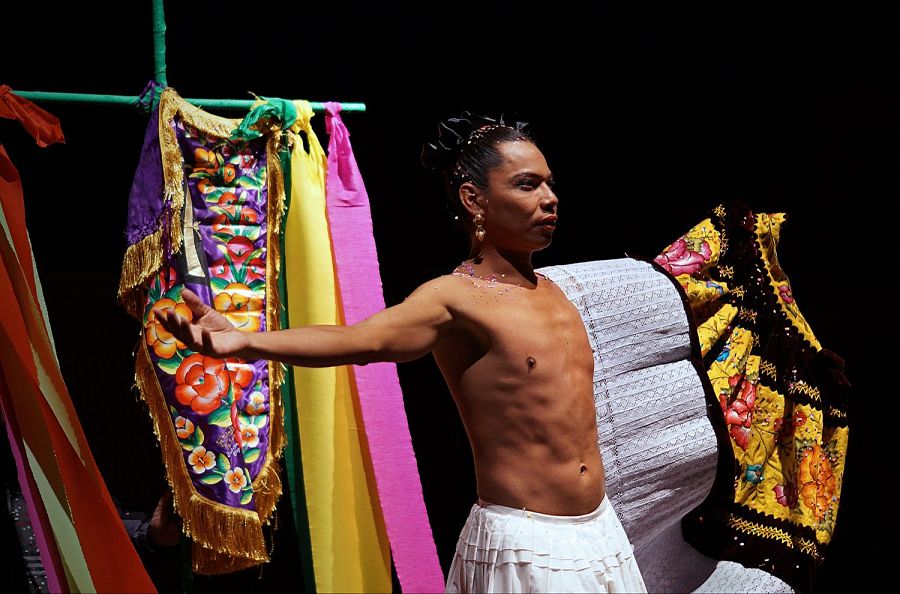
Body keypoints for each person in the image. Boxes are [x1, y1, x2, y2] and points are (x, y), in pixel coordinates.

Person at [160, 113, 647, 593]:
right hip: (528, 546)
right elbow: (362, 341)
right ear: (474, 199)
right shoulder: (453, 297)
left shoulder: (560, 289)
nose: (549, 198)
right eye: (527, 185)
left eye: (549, 183)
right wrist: (246, 341)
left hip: (602, 532)